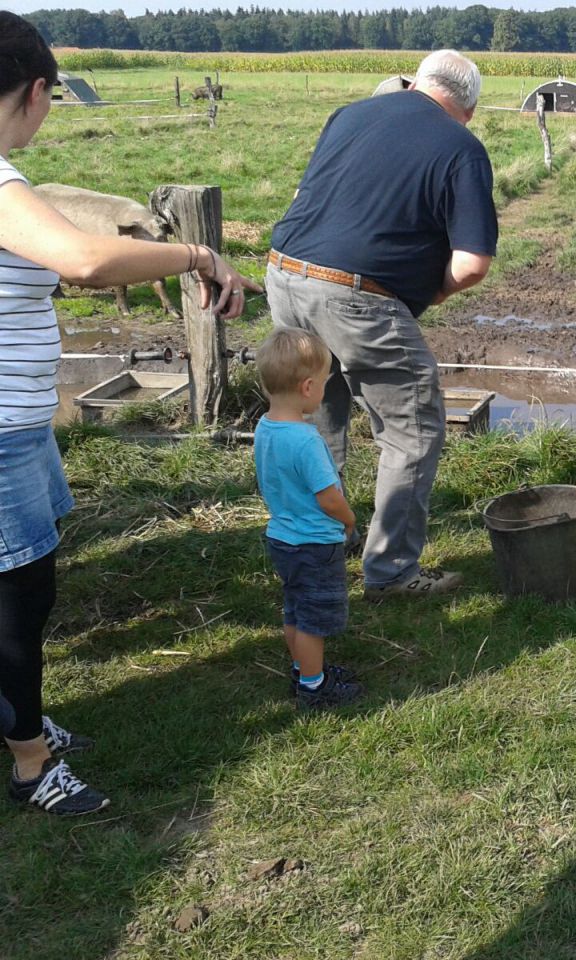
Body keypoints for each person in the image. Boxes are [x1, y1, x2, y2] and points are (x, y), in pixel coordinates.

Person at [0, 12, 258, 816]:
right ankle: (32, 765)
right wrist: (197, 254)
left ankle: (20, 723)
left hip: (16, 425)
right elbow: (82, 260)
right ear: (37, 90)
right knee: (16, 600)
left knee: (22, 591)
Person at [267, 49, 498, 603]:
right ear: (466, 108)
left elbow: (306, 198)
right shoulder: (460, 146)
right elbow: (471, 263)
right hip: (358, 295)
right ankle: (391, 570)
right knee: (413, 429)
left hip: (283, 273)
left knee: (317, 413)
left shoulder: (349, 114)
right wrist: (425, 292)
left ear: (415, 81)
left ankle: (322, 537)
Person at [254, 328, 363, 710]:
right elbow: (328, 497)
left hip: (282, 537)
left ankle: (303, 670)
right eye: (325, 383)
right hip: (315, 543)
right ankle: (315, 688)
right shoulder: (306, 440)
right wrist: (350, 519)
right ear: (307, 387)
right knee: (315, 620)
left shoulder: (265, 428)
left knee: (295, 610)